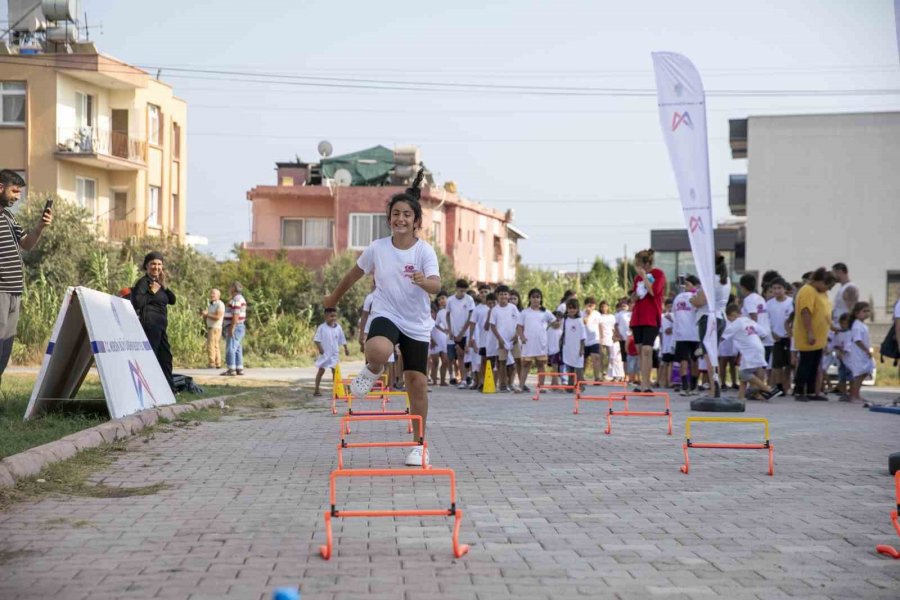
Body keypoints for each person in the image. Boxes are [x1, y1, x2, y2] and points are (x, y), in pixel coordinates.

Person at [323, 171, 440, 466]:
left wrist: (422, 281)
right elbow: (354, 274)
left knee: (417, 383)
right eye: (395, 214)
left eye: (407, 215)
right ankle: (373, 369)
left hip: (416, 322)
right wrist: (333, 298)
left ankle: (419, 444)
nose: (401, 219)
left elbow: (436, 286)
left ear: (416, 221)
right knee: (377, 350)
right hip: (386, 312)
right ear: (389, 218)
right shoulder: (378, 248)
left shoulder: (425, 251)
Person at [0, 171, 52, 384]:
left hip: (14, 292)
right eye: (14, 191)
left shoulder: (8, 216)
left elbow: (27, 244)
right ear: (0, 187)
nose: (17, 197)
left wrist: (40, 226)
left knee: (5, 347)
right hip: (0, 290)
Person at [131, 251, 176, 391]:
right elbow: (137, 302)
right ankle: (149, 390)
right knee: (152, 359)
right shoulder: (143, 282)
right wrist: (152, 292)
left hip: (161, 327)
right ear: (146, 266)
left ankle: (169, 390)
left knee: (166, 358)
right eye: (153, 264)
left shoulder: (159, 283)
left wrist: (164, 286)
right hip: (149, 326)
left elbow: (172, 300)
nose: (156, 267)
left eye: (159, 264)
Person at [722, 304, 782, 400]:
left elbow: (723, 336)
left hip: (749, 351)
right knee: (745, 371)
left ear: (733, 315)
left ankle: (767, 389)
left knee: (744, 374)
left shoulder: (736, 323)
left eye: (729, 318)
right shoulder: (749, 321)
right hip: (758, 347)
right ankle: (741, 396)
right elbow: (764, 333)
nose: (729, 321)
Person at [793, 267, 835, 401]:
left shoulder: (821, 292)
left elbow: (825, 312)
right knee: (806, 363)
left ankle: (811, 391)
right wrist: (810, 332)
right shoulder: (807, 290)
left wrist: (832, 326)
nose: (828, 289)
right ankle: (799, 391)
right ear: (820, 281)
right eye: (827, 285)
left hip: (820, 336)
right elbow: (805, 312)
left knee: (814, 364)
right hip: (808, 335)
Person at [630, 249, 666, 393]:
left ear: (647, 263)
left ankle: (647, 384)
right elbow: (634, 296)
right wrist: (634, 296)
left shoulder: (658, 274)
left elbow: (653, 292)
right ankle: (642, 381)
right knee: (640, 350)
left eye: (639, 264)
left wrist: (644, 276)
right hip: (637, 317)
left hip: (651, 317)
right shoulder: (637, 278)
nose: (638, 267)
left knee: (647, 349)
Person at [517, 288, 555, 393]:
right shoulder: (524, 313)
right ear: (529, 298)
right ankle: (521, 386)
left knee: (541, 365)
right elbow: (519, 327)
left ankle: (541, 387)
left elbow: (555, 322)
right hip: (528, 343)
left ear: (541, 299)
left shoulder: (545, 312)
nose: (535, 299)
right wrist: (522, 337)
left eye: (537, 297)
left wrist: (557, 322)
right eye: (533, 297)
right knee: (525, 365)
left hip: (541, 343)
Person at [489, 285, 520, 393]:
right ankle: (503, 384)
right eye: (501, 294)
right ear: (497, 296)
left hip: (514, 339)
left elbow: (519, 322)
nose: (503, 296)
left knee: (518, 361)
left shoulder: (513, 308)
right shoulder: (495, 310)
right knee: (502, 362)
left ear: (509, 295)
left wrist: (517, 335)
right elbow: (492, 326)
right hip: (502, 340)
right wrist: (499, 338)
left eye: (505, 294)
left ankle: (519, 384)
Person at [673, 275, 700, 396]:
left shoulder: (683, 297)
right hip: (688, 334)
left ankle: (689, 386)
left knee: (690, 361)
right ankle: (689, 386)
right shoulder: (691, 297)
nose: (686, 286)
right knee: (688, 361)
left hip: (688, 334)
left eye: (688, 284)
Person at [765, 278, 794, 394]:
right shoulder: (769, 304)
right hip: (776, 338)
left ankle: (787, 385)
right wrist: (772, 333)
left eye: (779, 288)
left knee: (789, 364)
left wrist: (791, 332)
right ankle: (779, 386)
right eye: (774, 289)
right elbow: (766, 322)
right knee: (777, 364)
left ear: (785, 289)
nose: (777, 291)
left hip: (789, 337)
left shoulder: (791, 302)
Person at [313, 308, 349, 396]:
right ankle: (316, 390)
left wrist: (346, 348)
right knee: (321, 371)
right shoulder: (322, 328)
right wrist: (320, 349)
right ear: (325, 317)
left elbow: (342, 339)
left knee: (335, 372)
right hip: (325, 354)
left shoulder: (338, 328)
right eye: (331, 316)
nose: (333, 318)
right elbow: (317, 340)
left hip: (334, 354)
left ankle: (336, 390)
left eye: (335, 316)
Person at [446, 279, 474, 389]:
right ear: (456, 289)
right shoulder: (450, 300)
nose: (462, 293)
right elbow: (447, 315)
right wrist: (450, 330)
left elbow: (470, 317)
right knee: (460, 356)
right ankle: (463, 379)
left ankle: (470, 377)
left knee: (469, 356)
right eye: (461, 291)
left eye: (464, 291)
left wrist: (462, 332)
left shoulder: (469, 299)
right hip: (455, 332)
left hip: (466, 332)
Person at [844, 302, 874, 403]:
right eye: (864, 311)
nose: (866, 313)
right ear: (857, 313)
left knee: (863, 373)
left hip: (863, 353)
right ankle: (854, 396)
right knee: (858, 375)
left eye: (868, 311)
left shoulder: (862, 325)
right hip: (859, 353)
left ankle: (857, 395)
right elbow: (857, 340)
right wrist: (866, 350)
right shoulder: (856, 325)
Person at [222, 282, 247, 376]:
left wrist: (232, 327)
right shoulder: (238, 298)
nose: (229, 289)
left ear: (234, 288)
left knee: (231, 347)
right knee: (237, 348)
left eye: (230, 287)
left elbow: (236, 314)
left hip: (235, 326)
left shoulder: (236, 299)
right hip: (239, 326)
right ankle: (239, 368)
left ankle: (231, 368)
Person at [560, 298, 586, 389]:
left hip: (577, 348)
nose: (571, 310)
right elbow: (563, 333)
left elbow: (583, 337)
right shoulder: (565, 320)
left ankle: (581, 385)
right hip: (568, 347)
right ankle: (570, 385)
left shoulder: (579, 321)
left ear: (577, 309)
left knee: (578, 368)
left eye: (574, 308)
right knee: (569, 367)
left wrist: (582, 348)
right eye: (569, 308)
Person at [199, 288, 225, 369]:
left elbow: (218, 316)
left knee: (210, 345)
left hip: (215, 327)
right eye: (211, 293)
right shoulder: (211, 305)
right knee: (215, 345)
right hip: (211, 327)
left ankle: (212, 363)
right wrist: (203, 314)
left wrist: (207, 314)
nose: (212, 295)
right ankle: (217, 363)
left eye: (214, 293)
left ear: (218, 295)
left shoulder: (219, 304)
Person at [581, 297, 603, 382]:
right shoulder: (581, 313)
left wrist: (601, 339)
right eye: (589, 305)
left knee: (596, 357)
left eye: (592, 305)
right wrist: (588, 314)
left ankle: (597, 377)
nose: (590, 307)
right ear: (585, 305)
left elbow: (600, 326)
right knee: (583, 359)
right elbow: (585, 322)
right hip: (584, 340)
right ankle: (581, 377)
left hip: (595, 340)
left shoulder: (597, 314)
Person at [830, 263, 859, 328]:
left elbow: (852, 310)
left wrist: (847, 327)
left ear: (839, 272)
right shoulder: (842, 288)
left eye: (833, 273)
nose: (832, 276)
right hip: (838, 325)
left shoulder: (850, 288)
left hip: (845, 328)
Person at [659, 298, 675, 389]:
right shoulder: (662, 317)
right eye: (668, 306)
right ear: (665, 307)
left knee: (671, 363)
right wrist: (661, 343)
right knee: (665, 363)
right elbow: (661, 331)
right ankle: (664, 381)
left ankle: (670, 381)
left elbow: (678, 326)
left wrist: (672, 329)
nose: (670, 308)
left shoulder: (675, 316)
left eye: (671, 306)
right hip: (665, 344)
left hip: (673, 343)